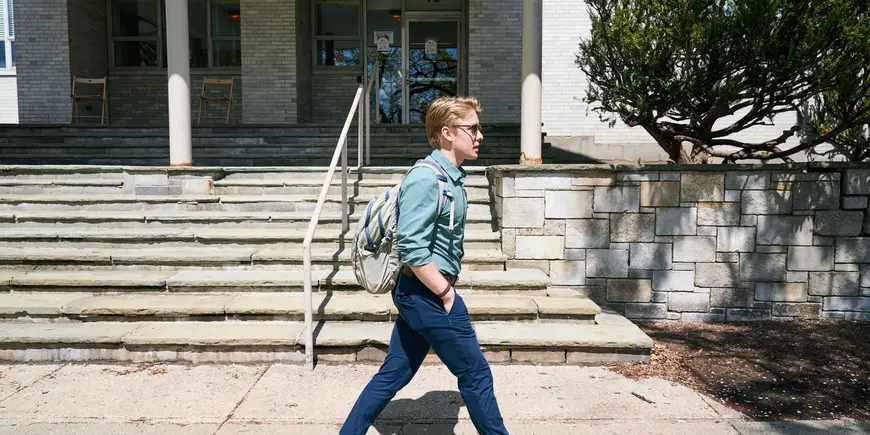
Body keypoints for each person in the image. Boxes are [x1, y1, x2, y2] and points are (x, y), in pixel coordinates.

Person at [340, 96, 509, 435]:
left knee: (395, 373)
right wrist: (446, 294)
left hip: (422, 292)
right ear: (447, 133)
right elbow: (413, 247)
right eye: (472, 128)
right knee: (475, 373)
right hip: (427, 294)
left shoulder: (453, 177)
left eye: (479, 128)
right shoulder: (426, 178)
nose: (479, 136)